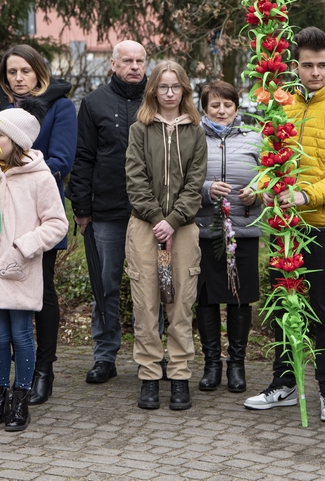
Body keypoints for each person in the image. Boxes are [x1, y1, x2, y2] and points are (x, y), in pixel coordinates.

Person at [244, 26, 325, 423]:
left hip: (319, 228)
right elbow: (269, 160)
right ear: (295, 66)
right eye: (308, 65)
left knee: (323, 311)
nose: (315, 72)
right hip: (283, 230)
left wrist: (304, 196)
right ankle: (285, 384)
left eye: (322, 65)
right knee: (282, 308)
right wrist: (264, 188)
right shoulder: (282, 106)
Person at [0, 103, 69, 433]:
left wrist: (24, 246)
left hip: (18, 269)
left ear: (18, 141)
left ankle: (20, 400)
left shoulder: (40, 177)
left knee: (21, 335)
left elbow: (57, 224)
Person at [0, 44, 77, 405]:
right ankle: (16, 369)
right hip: (2, 214)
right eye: (12, 72)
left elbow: (62, 159)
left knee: (41, 292)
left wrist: (20, 175)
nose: (18, 78)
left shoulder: (60, 107)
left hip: (40, 213)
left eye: (25, 71)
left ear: (39, 73)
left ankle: (44, 369)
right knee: (5, 292)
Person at [125, 60, 207, 411]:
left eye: (175, 87)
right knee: (146, 304)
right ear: (153, 91)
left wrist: (172, 221)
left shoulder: (196, 131)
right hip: (145, 226)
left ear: (184, 90)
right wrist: (158, 219)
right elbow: (135, 179)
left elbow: (195, 182)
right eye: (163, 87)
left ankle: (179, 375)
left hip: (183, 228)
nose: (170, 93)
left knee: (181, 303)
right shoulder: (139, 129)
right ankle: (148, 375)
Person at [67, 40, 147, 385]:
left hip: (150, 213)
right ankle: (105, 355)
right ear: (113, 64)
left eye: (140, 60)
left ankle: (151, 355)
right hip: (106, 212)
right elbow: (83, 157)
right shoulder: (93, 102)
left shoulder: (157, 99)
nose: (134, 66)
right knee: (105, 286)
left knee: (151, 287)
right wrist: (82, 207)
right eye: (127, 60)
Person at [193, 81, 261, 393]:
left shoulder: (254, 137)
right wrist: (206, 190)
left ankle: (236, 364)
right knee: (206, 297)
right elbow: (181, 180)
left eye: (228, 105)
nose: (221, 111)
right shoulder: (192, 137)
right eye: (215, 105)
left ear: (236, 107)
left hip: (243, 229)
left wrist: (256, 192)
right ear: (204, 108)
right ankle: (212, 364)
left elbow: (269, 178)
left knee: (239, 297)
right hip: (205, 229)